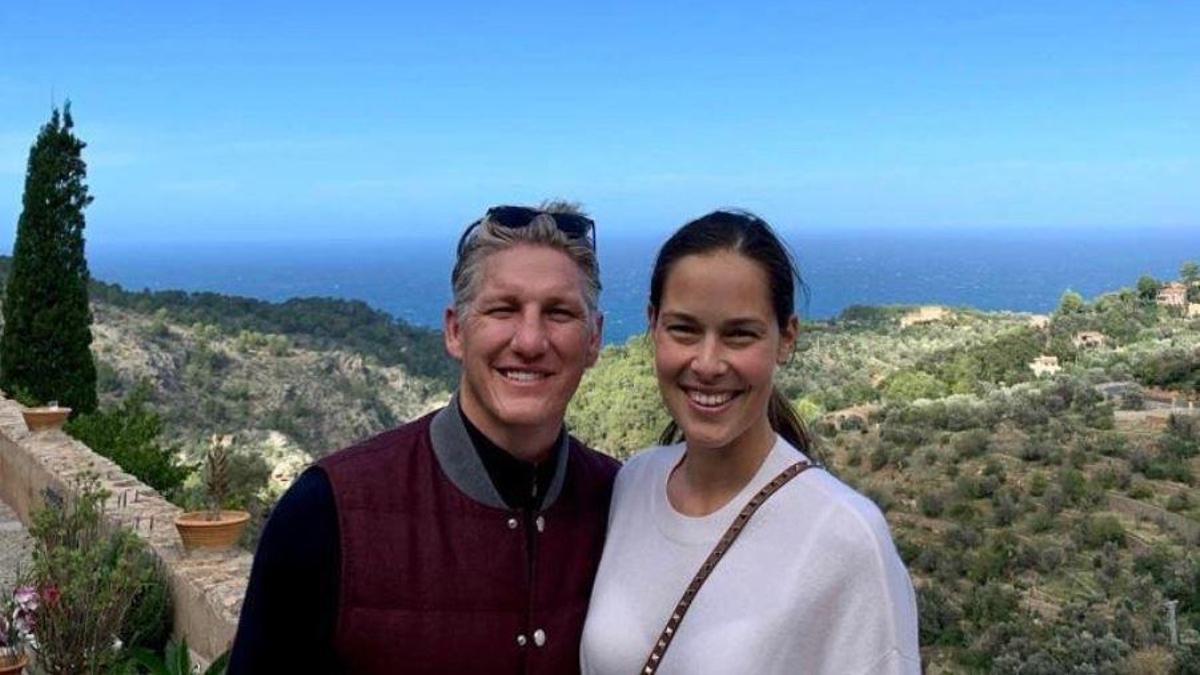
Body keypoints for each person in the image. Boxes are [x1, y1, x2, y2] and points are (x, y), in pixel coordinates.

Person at [229, 204, 620, 674]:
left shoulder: (621, 503)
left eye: (559, 312)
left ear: (594, 339)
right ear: (456, 331)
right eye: (503, 309)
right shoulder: (327, 510)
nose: (531, 341)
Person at [580, 210, 920, 674]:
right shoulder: (634, 482)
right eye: (684, 329)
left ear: (786, 339)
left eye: (740, 334)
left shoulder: (845, 538)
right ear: (652, 325)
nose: (708, 362)